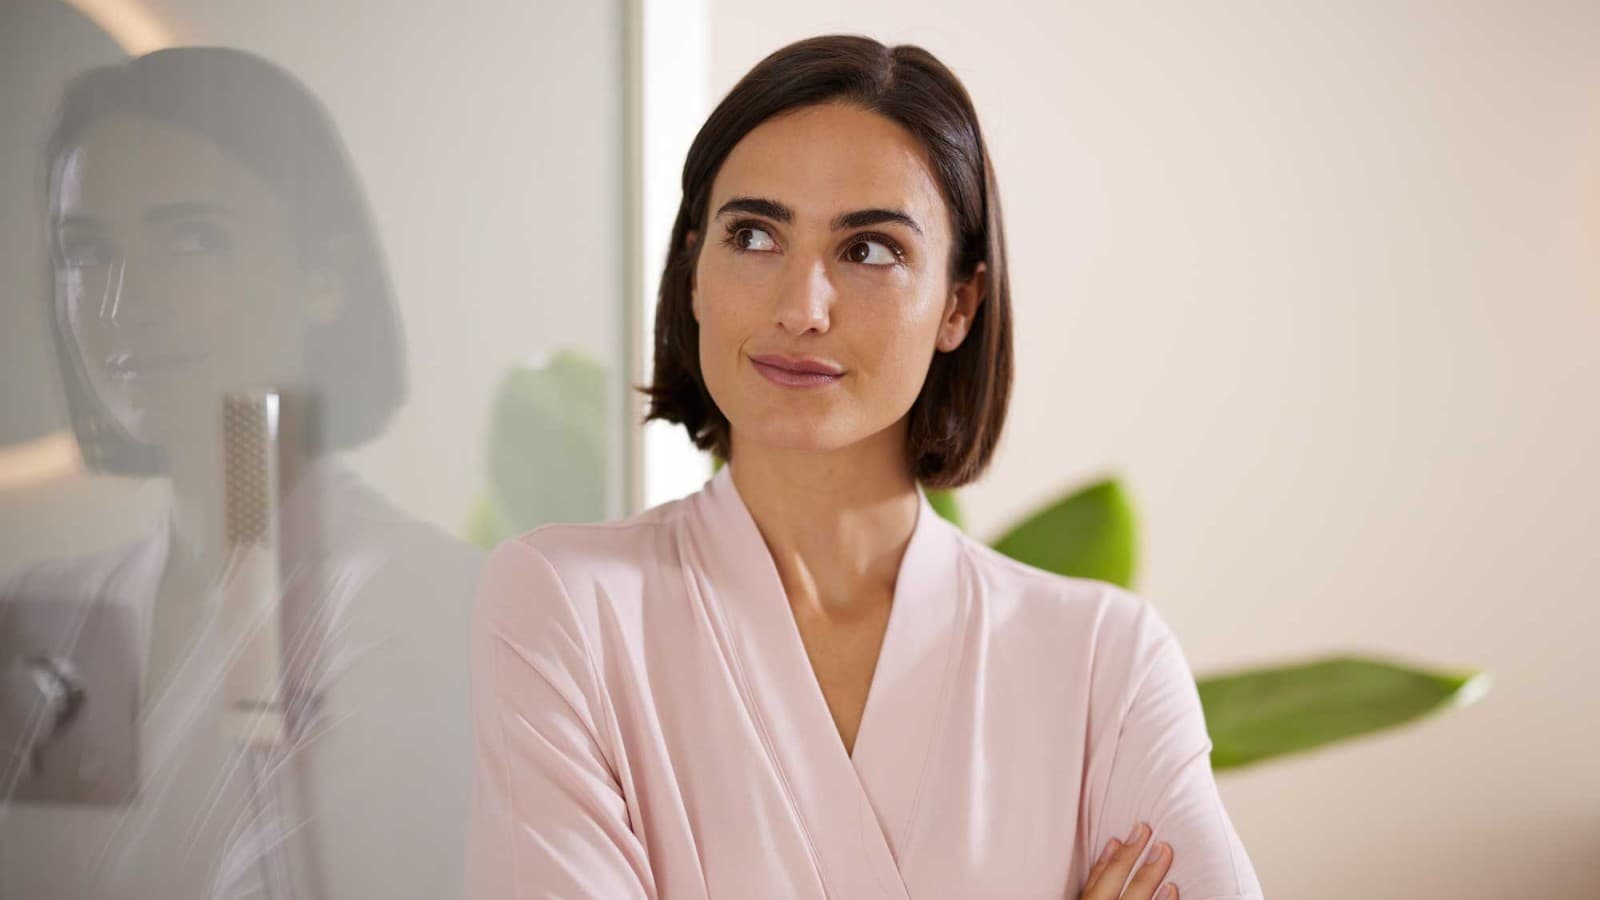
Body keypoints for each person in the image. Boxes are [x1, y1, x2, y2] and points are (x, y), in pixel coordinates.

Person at [465, 34, 1264, 900]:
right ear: (695, 269)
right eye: (754, 234)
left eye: (870, 250)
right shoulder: (565, 607)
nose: (801, 307)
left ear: (959, 303)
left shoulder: (1106, 661)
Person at [2, 47, 484, 899]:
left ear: (324, 277)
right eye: (85, 252)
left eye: (191, 240)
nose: (121, 304)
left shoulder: (413, 604)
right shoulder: (57, 612)